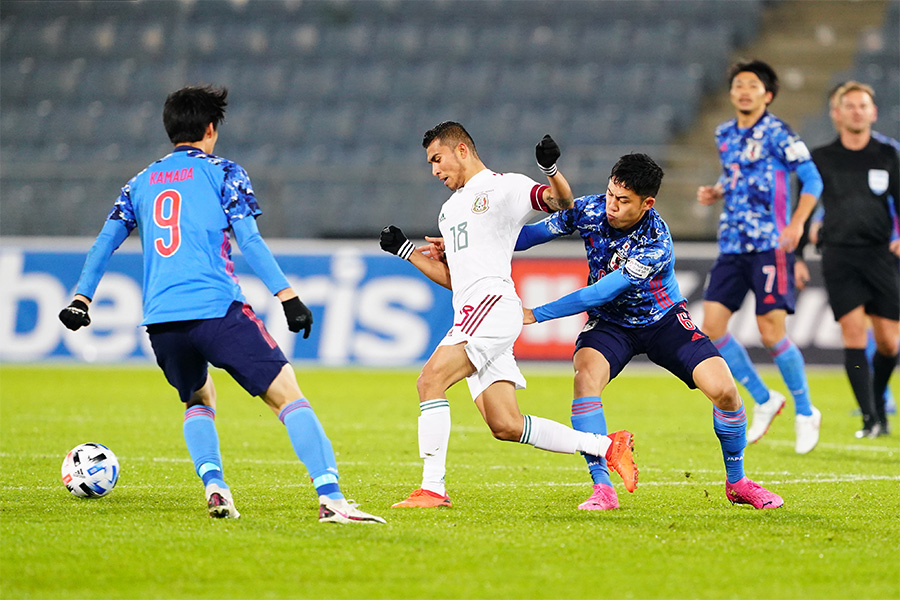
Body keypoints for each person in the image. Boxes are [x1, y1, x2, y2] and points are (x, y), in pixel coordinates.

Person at [58, 85, 385, 524]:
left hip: (162, 321)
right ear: (211, 129)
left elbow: (104, 243)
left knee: (198, 397)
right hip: (216, 308)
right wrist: (287, 296)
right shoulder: (224, 172)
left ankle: (215, 486)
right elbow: (248, 239)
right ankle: (332, 499)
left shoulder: (138, 183)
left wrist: (82, 297)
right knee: (288, 396)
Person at [378, 122, 637, 508]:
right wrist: (406, 251)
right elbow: (456, 279)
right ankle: (606, 445)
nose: (434, 170)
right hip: (472, 311)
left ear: (462, 149)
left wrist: (550, 171)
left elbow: (561, 202)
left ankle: (432, 488)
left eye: (437, 159)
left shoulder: (504, 187)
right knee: (505, 424)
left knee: (429, 380)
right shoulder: (449, 211)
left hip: (491, 308)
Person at [517, 153, 783, 510]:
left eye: (623, 201)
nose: (611, 205)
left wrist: (537, 313)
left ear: (647, 203)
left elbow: (601, 290)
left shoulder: (655, 241)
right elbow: (530, 236)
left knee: (725, 392)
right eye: (611, 193)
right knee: (585, 378)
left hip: (663, 320)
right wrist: (466, 247)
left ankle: (737, 482)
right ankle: (602, 488)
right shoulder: (590, 210)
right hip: (611, 324)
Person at [696, 59, 824, 454]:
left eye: (752, 85)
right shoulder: (724, 133)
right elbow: (737, 173)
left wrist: (798, 222)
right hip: (731, 246)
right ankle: (765, 398)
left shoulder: (779, 132)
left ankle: (805, 411)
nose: (744, 90)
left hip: (769, 245)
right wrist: (718, 190)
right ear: (732, 92)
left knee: (771, 332)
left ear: (767, 94)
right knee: (712, 329)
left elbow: (813, 178)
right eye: (738, 84)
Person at [796, 81, 899, 418]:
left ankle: (877, 398)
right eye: (850, 106)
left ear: (873, 112)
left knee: (889, 343)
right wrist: (796, 257)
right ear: (836, 114)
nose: (857, 111)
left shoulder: (889, 154)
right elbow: (803, 211)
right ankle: (871, 416)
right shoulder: (820, 159)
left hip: (881, 255)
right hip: (839, 255)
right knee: (853, 334)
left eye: (863, 105)